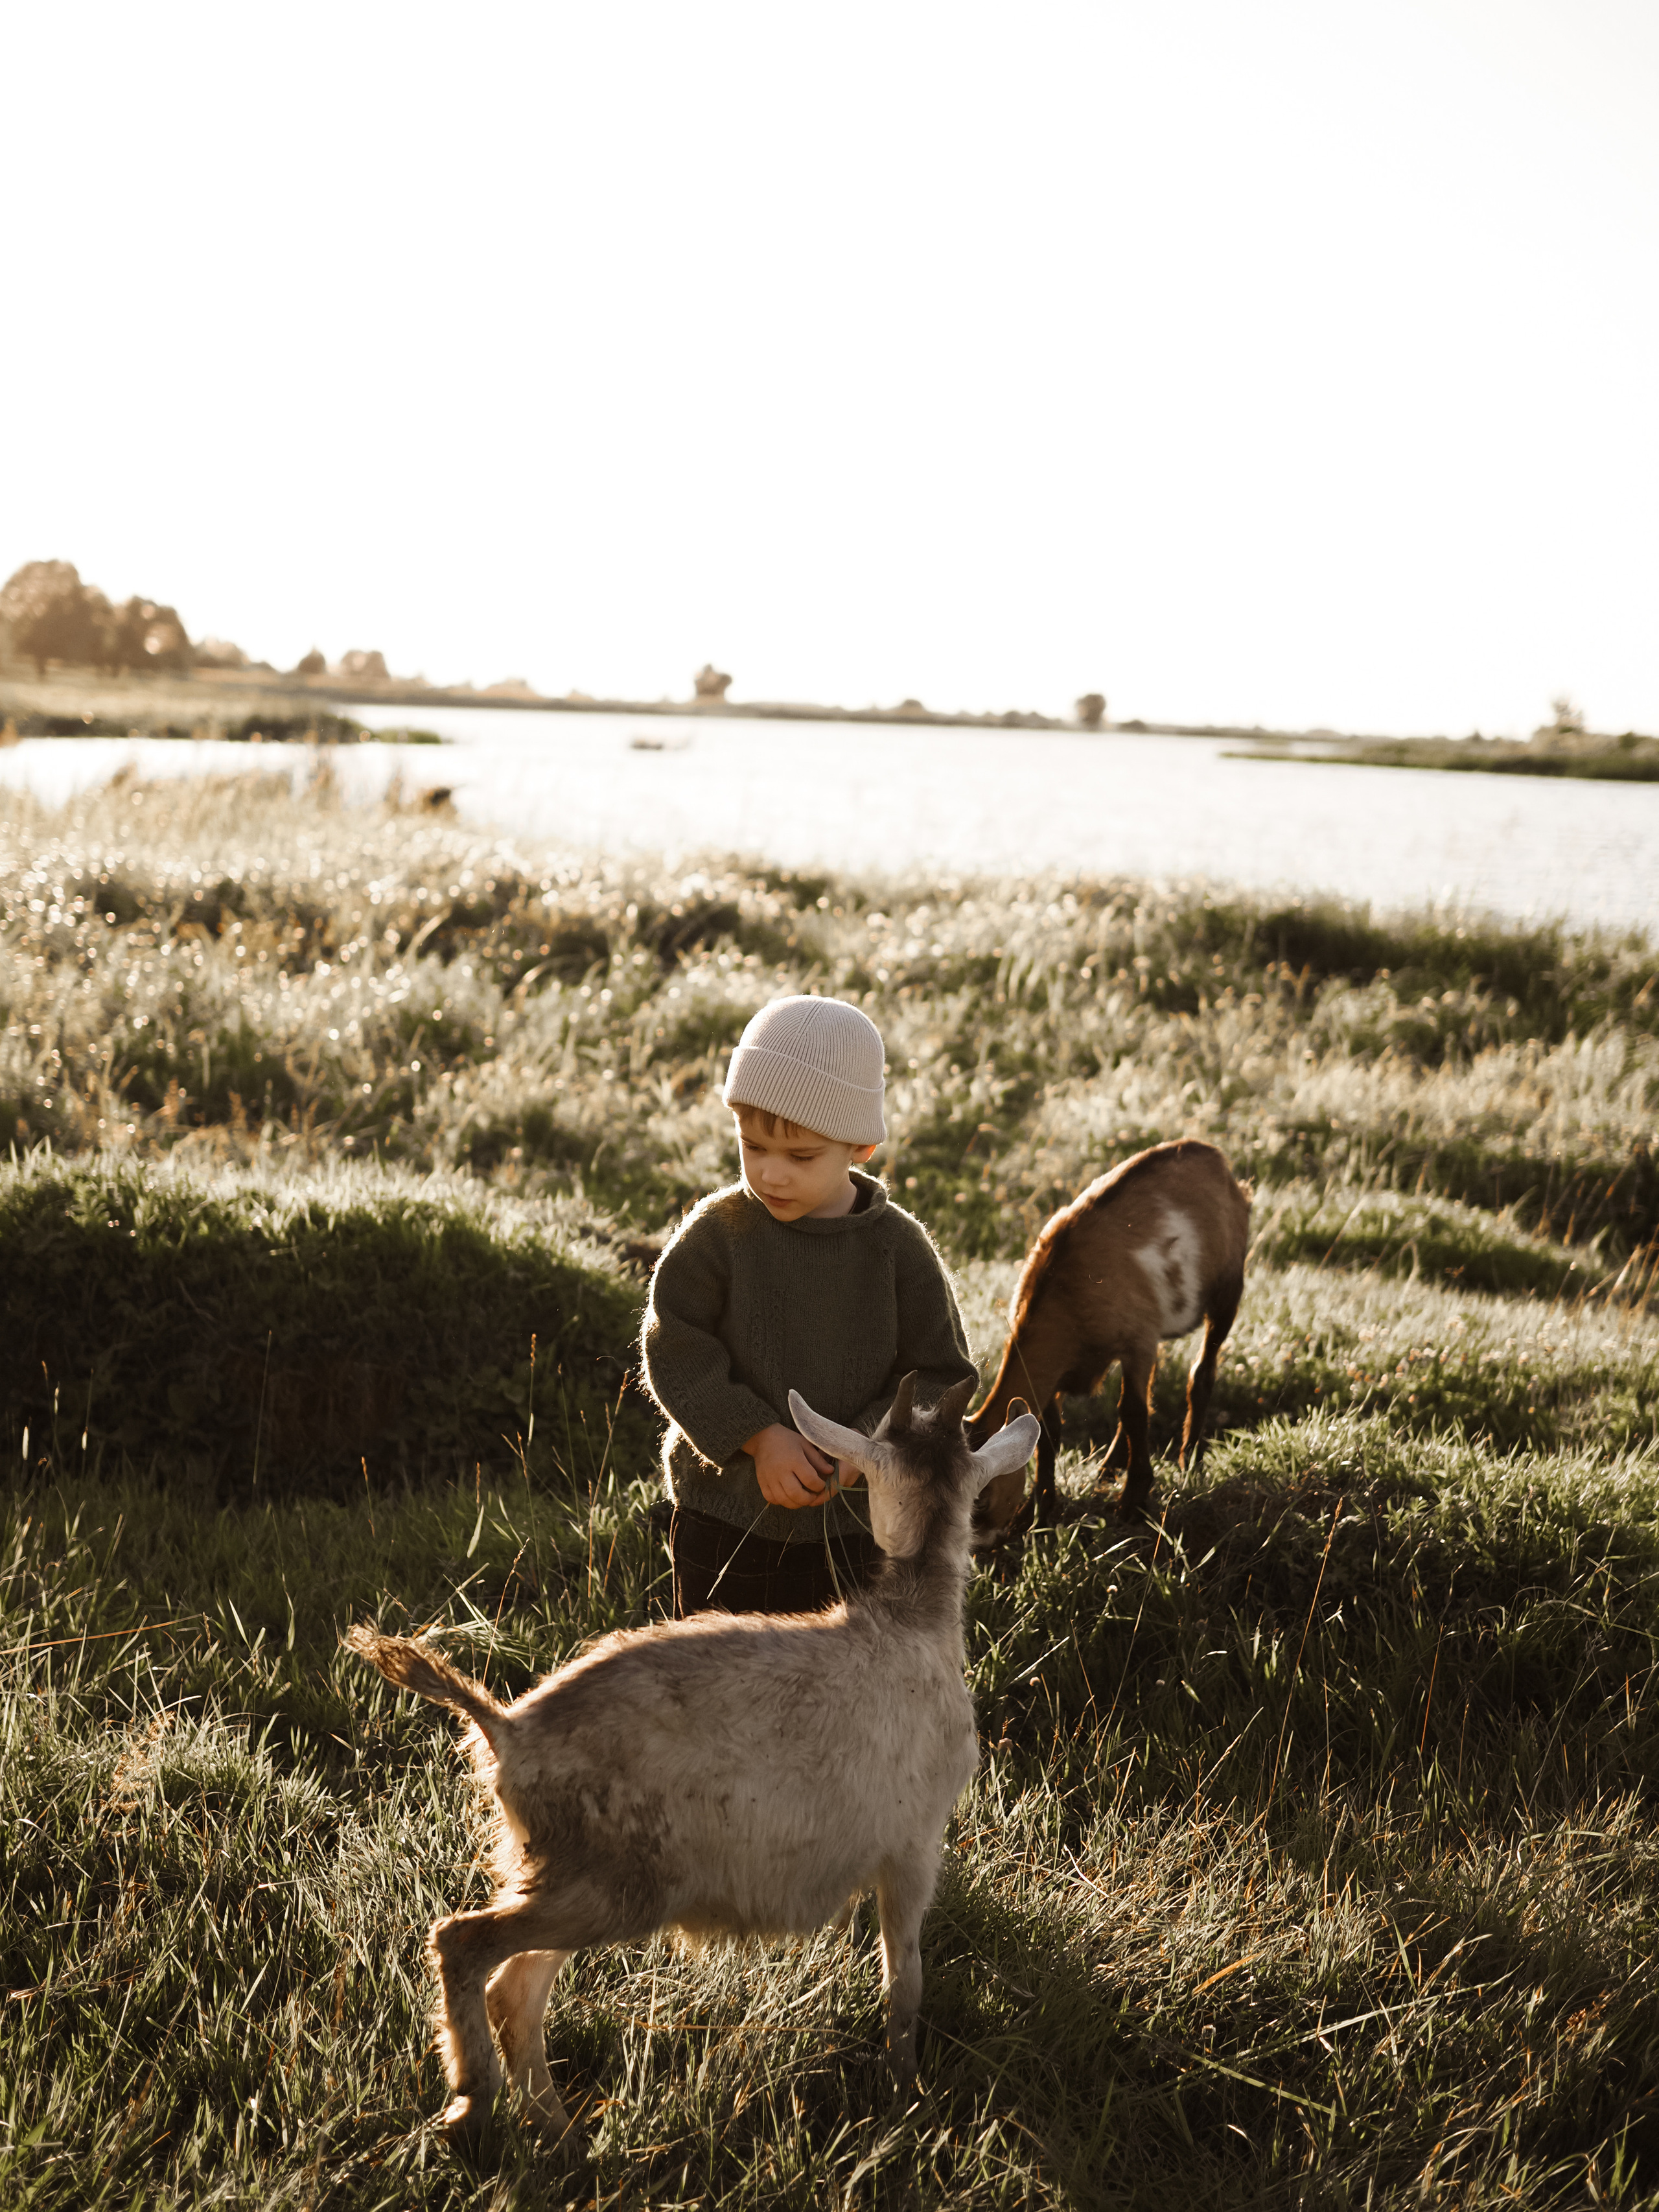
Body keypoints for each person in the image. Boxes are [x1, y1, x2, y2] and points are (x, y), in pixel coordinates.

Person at [640, 992, 979, 1618]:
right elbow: (675, 1342)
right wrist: (758, 1436)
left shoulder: (897, 1249)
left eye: (800, 1156)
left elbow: (943, 1375)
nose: (771, 1174)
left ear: (860, 1146)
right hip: (725, 1518)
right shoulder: (721, 1233)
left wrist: (866, 1444)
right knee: (721, 1687)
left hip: (856, 1530)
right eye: (752, 1145)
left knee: (840, 1693)